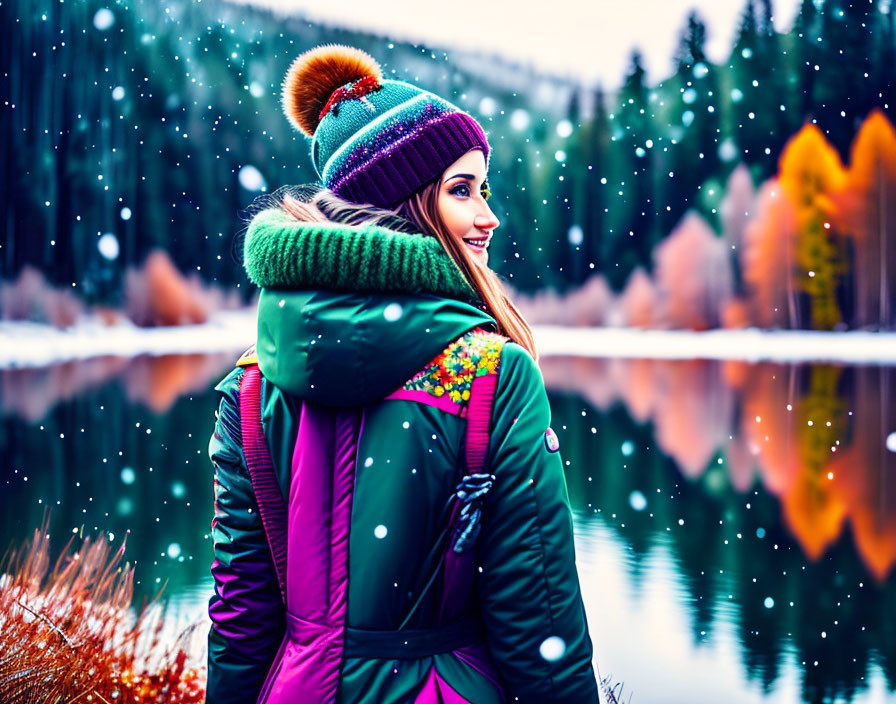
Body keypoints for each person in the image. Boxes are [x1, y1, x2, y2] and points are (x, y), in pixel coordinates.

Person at [206, 44, 599, 704]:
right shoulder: (491, 376)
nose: (488, 216)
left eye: (485, 190)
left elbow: (241, 625)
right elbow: (542, 634)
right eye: (462, 189)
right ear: (401, 202)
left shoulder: (253, 383)